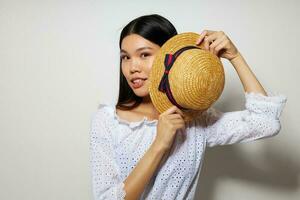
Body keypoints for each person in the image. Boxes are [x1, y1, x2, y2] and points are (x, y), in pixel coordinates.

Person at [89, 14, 287, 200]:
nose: (132, 68)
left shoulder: (195, 121)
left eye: (144, 55)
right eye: (125, 57)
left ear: (169, 58)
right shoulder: (108, 121)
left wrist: (235, 57)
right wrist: (160, 145)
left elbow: (265, 122)